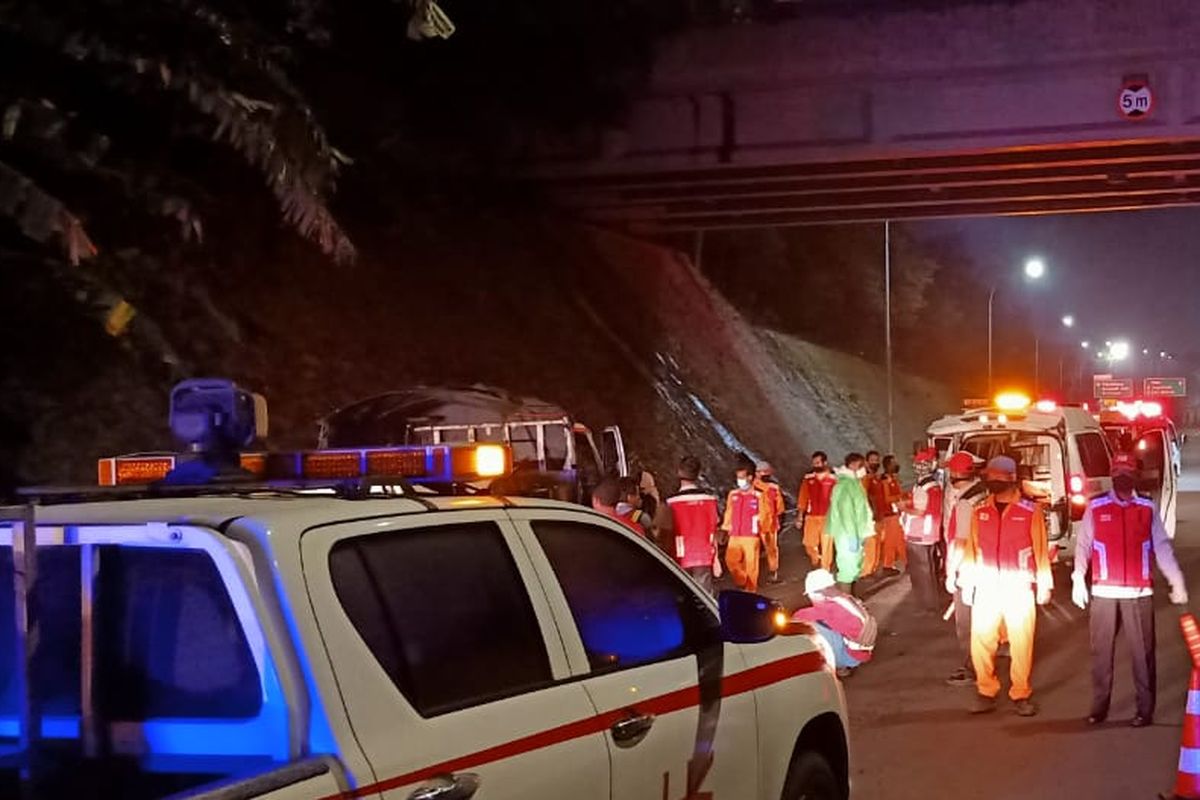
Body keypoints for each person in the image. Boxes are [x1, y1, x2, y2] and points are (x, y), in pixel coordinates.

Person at [1072, 452, 1188, 727]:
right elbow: (1084, 544)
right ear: (1112, 475)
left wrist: (1176, 580)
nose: (1122, 477)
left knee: (1143, 656)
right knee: (1101, 655)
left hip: (1138, 593)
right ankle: (1099, 708)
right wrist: (1078, 575)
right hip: (1104, 592)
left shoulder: (1147, 508)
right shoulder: (1097, 506)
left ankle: (1144, 711)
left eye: (1127, 472)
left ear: (1134, 475)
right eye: (1118, 472)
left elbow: (1161, 547)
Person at [960, 455, 1052, 717]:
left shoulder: (1030, 512)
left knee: (1021, 643)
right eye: (991, 477)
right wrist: (967, 582)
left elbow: (1040, 550)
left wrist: (1044, 584)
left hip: (1018, 588)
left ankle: (1020, 693)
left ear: (1012, 479)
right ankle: (986, 691)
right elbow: (972, 550)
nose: (993, 482)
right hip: (987, 587)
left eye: (998, 477)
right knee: (981, 642)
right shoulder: (981, 512)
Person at [942, 451, 988, 687]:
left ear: (955, 474)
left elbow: (959, 540)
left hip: (967, 568)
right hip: (986, 563)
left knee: (966, 622)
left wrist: (951, 572)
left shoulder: (964, 503)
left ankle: (972, 667)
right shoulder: (983, 494)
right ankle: (985, 659)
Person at [791, 568, 877, 678]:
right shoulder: (843, 598)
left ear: (816, 593)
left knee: (812, 628)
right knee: (828, 626)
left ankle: (839, 665)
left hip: (851, 656)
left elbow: (798, 617)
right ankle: (843, 663)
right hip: (863, 649)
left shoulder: (826, 608)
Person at [664, 455, 722, 595]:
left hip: (679, 555)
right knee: (704, 597)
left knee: (684, 596)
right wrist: (716, 559)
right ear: (697, 474)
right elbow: (714, 529)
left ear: (679, 472)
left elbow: (664, 532)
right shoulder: (709, 500)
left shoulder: (670, 502)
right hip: (704, 554)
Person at [825, 453, 876, 593]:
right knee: (847, 569)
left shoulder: (854, 483)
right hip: (847, 535)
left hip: (855, 532)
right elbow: (847, 514)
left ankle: (849, 598)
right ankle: (845, 601)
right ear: (853, 465)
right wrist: (853, 536)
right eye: (861, 466)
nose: (863, 469)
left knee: (853, 567)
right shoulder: (845, 485)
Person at [901, 448, 944, 612]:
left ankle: (927, 606)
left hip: (919, 533)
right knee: (928, 570)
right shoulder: (933, 485)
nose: (916, 466)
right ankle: (930, 603)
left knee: (922, 572)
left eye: (918, 463)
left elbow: (919, 511)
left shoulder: (923, 486)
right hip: (928, 533)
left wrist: (903, 508)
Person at [722, 458, 769, 592]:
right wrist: (725, 528)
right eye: (738, 478)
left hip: (751, 536)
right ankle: (742, 581)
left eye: (742, 478)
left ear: (750, 477)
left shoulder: (759, 496)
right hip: (735, 535)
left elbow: (765, 515)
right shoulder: (733, 494)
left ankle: (751, 590)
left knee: (751, 566)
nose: (739, 481)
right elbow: (729, 512)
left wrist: (763, 531)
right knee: (731, 561)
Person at [796, 451, 837, 569]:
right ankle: (815, 558)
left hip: (828, 517)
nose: (816, 465)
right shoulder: (808, 479)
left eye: (818, 463)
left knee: (827, 545)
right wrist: (800, 517)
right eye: (814, 463)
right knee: (808, 544)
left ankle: (825, 569)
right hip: (811, 517)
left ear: (825, 463)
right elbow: (803, 498)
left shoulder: (834, 479)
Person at [755, 461, 787, 584]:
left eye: (768, 472)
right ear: (757, 473)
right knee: (753, 550)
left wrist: (779, 521)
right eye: (763, 472)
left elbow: (780, 507)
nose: (766, 474)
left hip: (770, 524)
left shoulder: (774, 488)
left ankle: (773, 573)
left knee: (772, 550)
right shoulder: (752, 487)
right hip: (755, 525)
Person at [878, 455, 905, 575]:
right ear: (887, 465)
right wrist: (901, 497)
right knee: (895, 541)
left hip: (895, 514)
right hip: (890, 514)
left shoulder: (894, 479)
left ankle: (890, 564)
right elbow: (887, 498)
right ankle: (889, 565)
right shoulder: (885, 480)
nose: (895, 464)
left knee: (895, 541)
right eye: (893, 463)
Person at [860, 451, 884, 578]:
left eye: (877, 460)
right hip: (871, 517)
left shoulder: (876, 478)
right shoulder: (865, 478)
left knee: (878, 544)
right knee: (871, 544)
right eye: (872, 460)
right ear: (866, 461)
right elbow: (865, 497)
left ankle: (873, 568)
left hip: (880, 515)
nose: (875, 462)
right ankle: (866, 571)